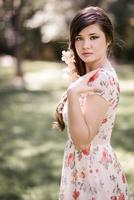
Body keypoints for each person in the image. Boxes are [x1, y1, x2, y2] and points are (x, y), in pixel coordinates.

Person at [55, 6, 133, 200]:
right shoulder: (90, 76)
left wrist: (72, 93)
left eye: (93, 37)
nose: (85, 45)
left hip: (92, 172)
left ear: (108, 39)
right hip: (81, 168)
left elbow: (82, 142)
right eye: (79, 38)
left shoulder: (102, 79)